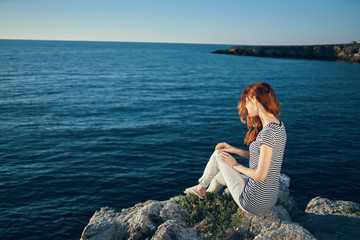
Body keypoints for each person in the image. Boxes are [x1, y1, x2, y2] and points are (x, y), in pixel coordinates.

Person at [184, 82, 287, 215]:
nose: (245, 106)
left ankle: (200, 187)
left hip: (253, 202)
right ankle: (204, 195)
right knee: (219, 177)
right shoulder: (278, 126)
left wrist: (235, 165)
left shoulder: (267, 133)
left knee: (217, 154)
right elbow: (261, 157)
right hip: (268, 199)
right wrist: (233, 150)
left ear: (254, 99)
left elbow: (260, 175)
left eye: (246, 102)